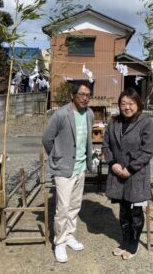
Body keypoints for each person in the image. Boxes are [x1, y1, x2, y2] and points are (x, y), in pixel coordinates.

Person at [42, 82, 94, 263]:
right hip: (64, 168)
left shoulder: (89, 114)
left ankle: (70, 235)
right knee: (62, 208)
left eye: (88, 94)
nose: (85, 97)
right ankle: (60, 242)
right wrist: (56, 156)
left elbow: (87, 140)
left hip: (80, 168)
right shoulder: (62, 114)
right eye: (81, 94)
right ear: (73, 95)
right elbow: (47, 139)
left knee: (74, 205)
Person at [102, 88, 153, 260]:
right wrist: (112, 163)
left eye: (131, 103)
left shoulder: (145, 122)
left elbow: (147, 150)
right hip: (118, 173)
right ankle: (125, 240)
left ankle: (133, 244)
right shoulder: (114, 123)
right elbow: (105, 146)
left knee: (136, 211)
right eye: (123, 104)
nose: (127, 107)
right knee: (124, 209)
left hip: (136, 174)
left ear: (138, 104)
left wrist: (130, 168)